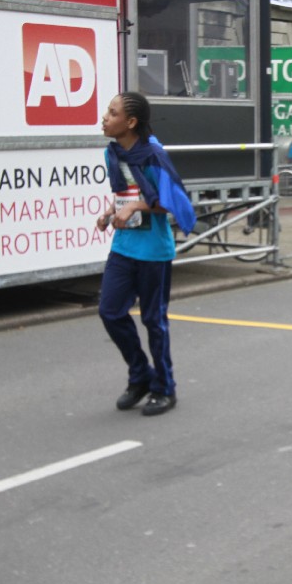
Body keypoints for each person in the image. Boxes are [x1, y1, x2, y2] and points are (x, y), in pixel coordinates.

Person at [96, 92, 196, 417]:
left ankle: (164, 388)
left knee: (154, 322)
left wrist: (137, 206)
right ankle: (140, 375)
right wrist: (111, 211)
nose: (105, 117)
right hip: (123, 248)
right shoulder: (113, 153)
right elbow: (126, 193)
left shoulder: (153, 154)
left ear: (131, 122)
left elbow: (172, 201)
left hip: (154, 252)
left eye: (112, 113)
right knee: (110, 312)